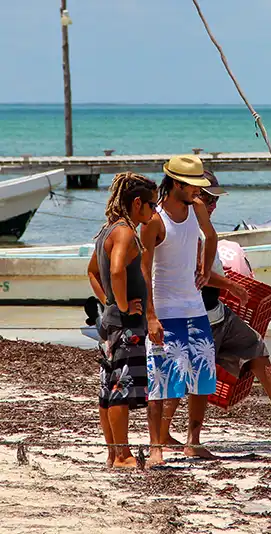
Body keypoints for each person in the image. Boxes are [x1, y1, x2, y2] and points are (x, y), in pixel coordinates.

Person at [161, 171, 271, 451]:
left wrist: (225, 282)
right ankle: (169, 437)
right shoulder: (185, 228)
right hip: (195, 314)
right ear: (193, 196)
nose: (213, 205)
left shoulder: (203, 228)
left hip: (217, 311)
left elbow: (209, 269)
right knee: (189, 376)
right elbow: (198, 273)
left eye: (215, 200)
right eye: (208, 198)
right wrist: (233, 286)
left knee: (255, 345)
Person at [140, 154, 218, 467]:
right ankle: (156, 447)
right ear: (175, 184)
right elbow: (143, 270)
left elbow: (211, 236)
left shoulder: (196, 208)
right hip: (166, 309)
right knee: (162, 380)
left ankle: (193, 442)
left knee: (202, 377)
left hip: (195, 308)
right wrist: (150, 316)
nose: (198, 191)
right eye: (192, 186)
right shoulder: (156, 220)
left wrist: (206, 269)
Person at [86, 172, 158, 468]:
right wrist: (125, 306)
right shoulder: (125, 232)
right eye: (152, 205)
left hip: (109, 323)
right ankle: (123, 455)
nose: (154, 211)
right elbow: (115, 271)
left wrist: (108, 302)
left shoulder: (108, 230)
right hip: (125, 326)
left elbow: (91, 271)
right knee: (120, 389)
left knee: (108, 389)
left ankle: (114, 454)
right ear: (137, 203)